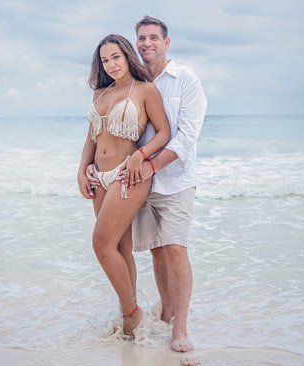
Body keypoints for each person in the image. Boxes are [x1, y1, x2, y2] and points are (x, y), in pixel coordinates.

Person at [88, 16, 207, 352]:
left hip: (171, 180)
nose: (147, 43)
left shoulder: (182, 80)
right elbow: (97, 134)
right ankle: (159, 317)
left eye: (154, 37)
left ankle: (174, 328)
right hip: (129, 180)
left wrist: (146, 160)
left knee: (174, 248)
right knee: (152, 252)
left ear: (166, 42)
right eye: (142, 38)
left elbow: (182, 137)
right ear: (134, 44)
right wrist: (85, 169)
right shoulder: (123, 83)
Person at [76, 34, 170, 337]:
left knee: (101, 244)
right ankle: (128, 312)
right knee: (120, 247)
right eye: (105, 60)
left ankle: (132, 314)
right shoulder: (99, 94)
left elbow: (164, 133)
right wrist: (81, 170)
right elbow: (92, 136)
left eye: (116, 56)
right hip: (98, 177)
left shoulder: (145, 90)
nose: (111, 64)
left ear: (127, 56)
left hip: (126, 175)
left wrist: (140, 156)